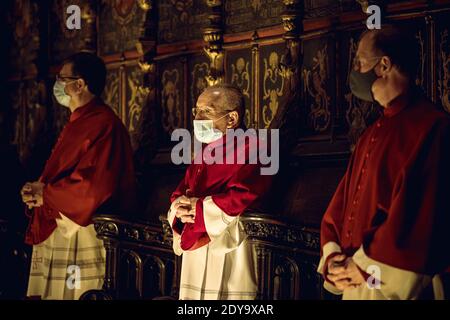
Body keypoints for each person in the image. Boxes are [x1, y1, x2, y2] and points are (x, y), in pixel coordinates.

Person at [318, 25, 450, 300]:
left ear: (384, 65)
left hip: (393, 281)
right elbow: (342, 204)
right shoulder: (372, 132)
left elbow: (419, 218)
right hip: (355, 280)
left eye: (360, 62)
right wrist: (334, 257)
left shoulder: (432, 127)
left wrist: (365, 267)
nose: (355, 70)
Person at [20, 52, 137, 300]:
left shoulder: (105, 124)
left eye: (62, 78)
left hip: (83, 230)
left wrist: (47, 195)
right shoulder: (78, 121)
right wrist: (37, 191)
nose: (58, 85)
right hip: (61, 223)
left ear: (80, 84)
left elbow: (94, 187)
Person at [167, 84, 272, 299]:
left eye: (207, 111)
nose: (197, 118)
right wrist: (179, 208)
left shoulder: (256, 148)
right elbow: (183, 189)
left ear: (232, 119)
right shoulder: (205, 150)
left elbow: (244, 195)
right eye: (196, 110)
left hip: (231, 243)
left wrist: (196, 208)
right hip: (198, 240)